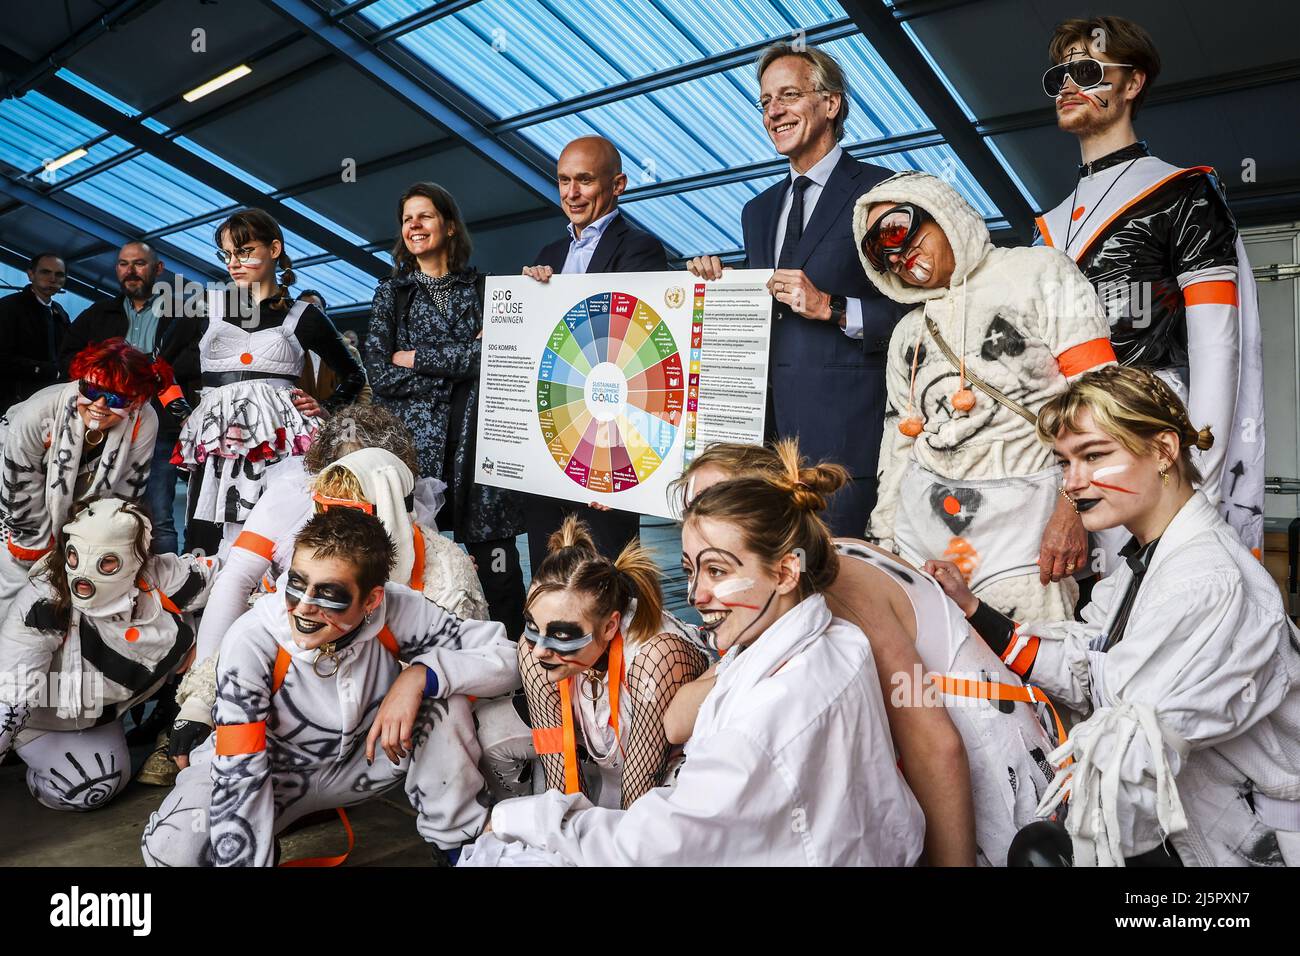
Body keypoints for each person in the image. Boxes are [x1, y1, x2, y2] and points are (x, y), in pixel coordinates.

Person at [461, 454, 924, 866]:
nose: (696, 595)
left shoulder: (760, 718)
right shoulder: (839, 639)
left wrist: (519, 819)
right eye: (690, 570)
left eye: (718, 570)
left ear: (785, 572)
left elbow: (649, 847)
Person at [929, 366, 1300, 867]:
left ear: (1164, 451)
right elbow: (1094, 668)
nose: (1072, 482)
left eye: (1094, 455)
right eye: (1065, 462)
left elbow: (1135, 761)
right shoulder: (1150, 557)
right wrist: (972, 609)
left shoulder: (1204, 580)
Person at [667, 440, 1063, 866]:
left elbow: (935, 742)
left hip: (993, 783)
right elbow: (677, 720)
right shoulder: (807, 574)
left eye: (719, 502)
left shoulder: (835, 586)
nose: (702, 520)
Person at [141, 508, 520, 867]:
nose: (304, 606)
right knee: (174, 850)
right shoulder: (253, 638)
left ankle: (458, 844)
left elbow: (509, 657)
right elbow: (240, 773)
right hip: (271, 775)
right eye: (298, 584)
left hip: (362, 763)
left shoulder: (400, 608)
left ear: (371, 599)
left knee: (445, 700)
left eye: (329, 593)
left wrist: (420, 675)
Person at [1036, 15, 1265, 562]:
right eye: (1058, 77)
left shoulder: (1184, 191)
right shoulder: (1047, 224)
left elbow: (1218, 345)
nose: (1068, 85)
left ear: (1132, 83)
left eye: (1088, 71)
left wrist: (1199, 475)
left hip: (1152, 428)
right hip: (1065, 439)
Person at [853, 171, 1116, 621]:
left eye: (896, 229)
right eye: (877, 252)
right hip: (922, 534)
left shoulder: (1040, 271)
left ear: (940, 210)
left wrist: (1073, 508)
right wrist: (884, 543)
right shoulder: (906, 334)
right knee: (942, 671)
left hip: (1025, 528)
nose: (894, 254)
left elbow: (1099, 395)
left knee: (1037, 664)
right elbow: (898, 444)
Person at [686, 43, 903, 537]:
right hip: (763, 446)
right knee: (785, 584)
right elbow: (762, 307)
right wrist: (715, 283)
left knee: (844, 584)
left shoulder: (882, 192)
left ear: (831, 104)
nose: (774, 111)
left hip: (845, 447)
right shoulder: (757, 211)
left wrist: (833, 308)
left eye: (788, 96)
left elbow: (918, 310)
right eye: (765, 102)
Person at [170, 441, 487, 769]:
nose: (334, 527)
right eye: (324, 509)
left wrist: (418, 677)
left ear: (386, 509)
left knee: (452, 712)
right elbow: (264, 628)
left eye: (348, 513)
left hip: (399, 722)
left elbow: (467, 656)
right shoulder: (321, 559)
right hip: (318, 710)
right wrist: (200, 701)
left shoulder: (446, 567)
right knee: (214, 758)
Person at [365, 182, 525, 639]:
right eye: (407, 218)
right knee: (418, 565)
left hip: (481, 443)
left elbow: (498, 357)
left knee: (499, 571)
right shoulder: (392, 295)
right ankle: (430, 663)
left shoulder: (486, 289)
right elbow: (379, 374)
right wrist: (461, 362)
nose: (414, 225)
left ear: (450, 226)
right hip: (416, 448)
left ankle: (512, 666)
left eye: (426, 216)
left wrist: (416, 356)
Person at [472, 516, 706, 814]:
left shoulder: (657, 658)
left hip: (664, 777)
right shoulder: (535, 648)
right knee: (488, 729)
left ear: (610, 628)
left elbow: (639, 796)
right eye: (532, 625)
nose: (541, 649)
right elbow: (561, 771)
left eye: (560, 634)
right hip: (603, 757)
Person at [0, 497, 215, 811]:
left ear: (136, 559)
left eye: (107, 563)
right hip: (44, 716)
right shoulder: (44, 599)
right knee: (87, 787)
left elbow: (235, 578)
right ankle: (28, 754)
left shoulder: (159, 576)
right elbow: (11, 695)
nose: (84, 575)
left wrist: (207, 647)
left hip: (103, 711)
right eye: (74, 557)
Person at [173, 208, 366, 552]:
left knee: (275, 535)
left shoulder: (305, 316)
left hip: (282, 444)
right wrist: (182, 412)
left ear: (274, 250)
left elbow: (354, 374)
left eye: (244, 251)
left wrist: (324, 406)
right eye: (227, 254)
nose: (233, 263)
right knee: (205, 537)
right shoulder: (205, 304)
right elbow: (157, 366)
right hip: (218, 441)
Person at [519, 135, 669, 570]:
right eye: (564, 180)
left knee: (605, 578)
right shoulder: (548, 255)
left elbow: (636, 361)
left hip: (605, 455)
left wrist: (615, 470)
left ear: (618, 183)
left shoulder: (640, 248)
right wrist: (529, 300)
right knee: (549, 574)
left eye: (584, 180)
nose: (571, 193)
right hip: (550, 449)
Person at [0, 339, 161, 623]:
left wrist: (94, 543)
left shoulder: (144, 420)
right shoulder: (36, 415)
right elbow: (20, 495)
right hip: (16, 506)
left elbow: (125, 495)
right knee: (16, 586)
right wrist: (39, 554)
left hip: (84, 502)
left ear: (136, 400)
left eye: (115, 398)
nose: (99, 405)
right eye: (91, 390)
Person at [61, 241, 202, 556]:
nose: (130, 271)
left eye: (139, 264)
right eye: (124, 264)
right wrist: (102, 374)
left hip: (161, 429)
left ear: (158, 269)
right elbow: (68, 358)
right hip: (103, 427)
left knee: (160, 515)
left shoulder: (182, 315)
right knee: (96, 508)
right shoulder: (98, 314)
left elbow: (199, 364)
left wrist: (151, 371)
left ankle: (166, 595)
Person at [0, 252, 71, 411]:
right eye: (45, 272)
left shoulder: (59, 312)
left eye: (59, 274)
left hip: (46, 399)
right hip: (12, 400)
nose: (53, 278)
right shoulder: (8, 307)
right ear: (30, 274)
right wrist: (50, 371)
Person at [295, 289, 372, 406]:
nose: (310, 314)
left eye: (316, 308)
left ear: (324, 314)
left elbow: (364, 390)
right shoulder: (290, 351)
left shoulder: (349, 351)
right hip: (303, 419)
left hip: (339, 420)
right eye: (305, 308)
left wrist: (356, 419)